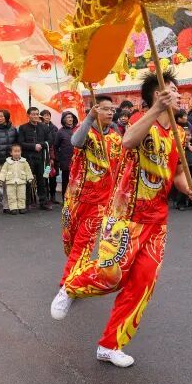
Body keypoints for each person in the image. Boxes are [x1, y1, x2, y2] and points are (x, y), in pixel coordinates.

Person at [53, 71, 192, 369]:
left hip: (156, 222)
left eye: (175, 90)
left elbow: (177, 171)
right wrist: (157, 109)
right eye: (168, 90)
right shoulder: (139, 121)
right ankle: (71, 286)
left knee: (142, 284)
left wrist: (189, 188)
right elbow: (129, 142)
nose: (175, 94)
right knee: (112, 275)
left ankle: (110, 345)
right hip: (124, 217)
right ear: (154, 97)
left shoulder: (179, 132)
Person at [60, 95, 122, 278]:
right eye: (106, 108)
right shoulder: (86, 130)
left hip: (100, 200)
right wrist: (89, 118)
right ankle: (77, 268)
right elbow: (76, 142)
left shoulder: (115, 136)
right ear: (96, 110)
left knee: (84, 241)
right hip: (76, 195)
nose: (111, 112)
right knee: (69, 237)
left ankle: (68, 284)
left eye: (113, 109)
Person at [18, 106, 55, 210]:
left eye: (36, 114)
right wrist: (33, 146)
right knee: (27, 180)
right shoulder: (23, 127)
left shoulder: (44, 127)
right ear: (28, 115)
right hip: (28, 158)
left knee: (42, 179)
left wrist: (41, 145)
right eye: (33, 114)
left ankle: (43, 202)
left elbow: (50, 140)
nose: (35, 116)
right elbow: (20, 143)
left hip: (42, 158)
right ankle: (26, 203)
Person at [0, 144, 35, 214]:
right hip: (10, 182)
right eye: (15, 151)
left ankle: (21, 207)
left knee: (21, 195)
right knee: (11, 196)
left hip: (21, 181)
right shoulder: (7, 162)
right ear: (11, 153)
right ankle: (13, 208)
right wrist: (1, 179)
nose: (17, 153)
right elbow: (3, 171)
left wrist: (29, 178)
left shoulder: (24, 162)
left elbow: (28, 170)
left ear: (21, 152)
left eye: (18, 151)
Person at [54, 111, 79, 204]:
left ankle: (75, 200)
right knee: (66, 181)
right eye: (68, 117)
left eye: (71, 117)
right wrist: (58, 159)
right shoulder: (60, 132)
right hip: (65, 160)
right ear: (64, 120)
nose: (70, 119)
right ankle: (66, 200)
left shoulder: (77, 129)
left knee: (76, 180)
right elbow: (55, 146)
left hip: (77, 160)